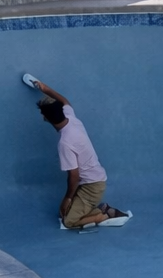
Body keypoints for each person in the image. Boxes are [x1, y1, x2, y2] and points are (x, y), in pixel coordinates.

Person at [23, 76, 132, 230]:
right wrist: (45, 89)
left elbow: (74, 176)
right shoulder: (71, 119)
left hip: (92, 187)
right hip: (93, 181)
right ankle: (100, 209)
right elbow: (65, 102)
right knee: (64, 214)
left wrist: (67, 198)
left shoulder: (65, 143)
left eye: (43, 114)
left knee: (68, 221)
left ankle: (103, 215)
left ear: (46, 119)